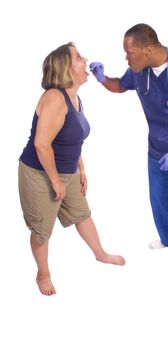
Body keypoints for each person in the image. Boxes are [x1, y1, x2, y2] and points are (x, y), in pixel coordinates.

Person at [89, 23, 168, 277]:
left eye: (130, 53)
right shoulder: (140, 69)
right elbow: (120, 86)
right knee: (160, 200)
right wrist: (102, 79)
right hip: (157, 146)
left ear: (147, 49)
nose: (127, 58)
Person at [18, 42, 125, 296]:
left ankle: (100, 254)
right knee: (42, 230)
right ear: (66, 68)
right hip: (39, 173)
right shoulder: (55, 98)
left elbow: (72, 139)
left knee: (82, 214)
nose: (85, 60)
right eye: (78, 58)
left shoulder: (75, 97)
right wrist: (56, 182)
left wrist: (82, 169)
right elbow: (42, 145)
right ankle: (42, 274)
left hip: (67, 171)